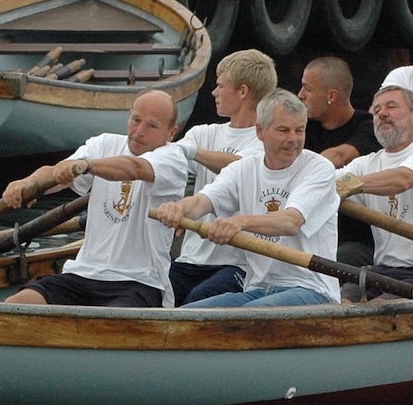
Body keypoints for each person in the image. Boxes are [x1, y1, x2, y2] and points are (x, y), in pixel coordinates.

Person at [0, 89, 187, 307]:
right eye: (136, 120)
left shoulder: (173, 159)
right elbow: (57, 174)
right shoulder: (104, 144)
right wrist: (27, 183)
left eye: (152, 125)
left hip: (139, 282)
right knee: (18, 303)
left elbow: (133, 168)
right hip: (83, 274)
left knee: (107, 325)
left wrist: (87, 166)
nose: (139, 131)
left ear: (171, 133)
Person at [156, 89, 340, 307]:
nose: (293, 139)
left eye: (299, 130)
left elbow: (291, 222)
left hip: (311, 289)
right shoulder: (242, 169)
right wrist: (178, 209)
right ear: (260, 131)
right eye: (283, 130)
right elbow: (201, 202)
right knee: (186, 317)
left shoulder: (318, 168)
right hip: (257, 288)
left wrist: (239, 222)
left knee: (246, 315)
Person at [334, 85, 413, 302]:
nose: (382, 113)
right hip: (384, 270)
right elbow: (328, 183)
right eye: (376, 111)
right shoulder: (366, 163)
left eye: (391, 107)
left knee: (378, 309)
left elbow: (403, 179)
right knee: (340, 304)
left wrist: (347, 185)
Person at [170, 49, 277, 305]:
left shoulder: (266, 140)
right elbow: (167, 163)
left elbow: (240, 167)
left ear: (242, 91)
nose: (214, 92)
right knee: (153, 290)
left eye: (219, 86)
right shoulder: (203, 133)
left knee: (199, 299)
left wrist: (191, 151)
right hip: (191, 257)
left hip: (238, 264)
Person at [298, 55, 382, 267]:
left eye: (307, 88)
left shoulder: (368, 126)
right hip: (309, 235)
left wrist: (296, 173)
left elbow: (339, 157)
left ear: (331, 95)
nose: (300, 95)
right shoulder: (303, 127)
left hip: (355, 241)